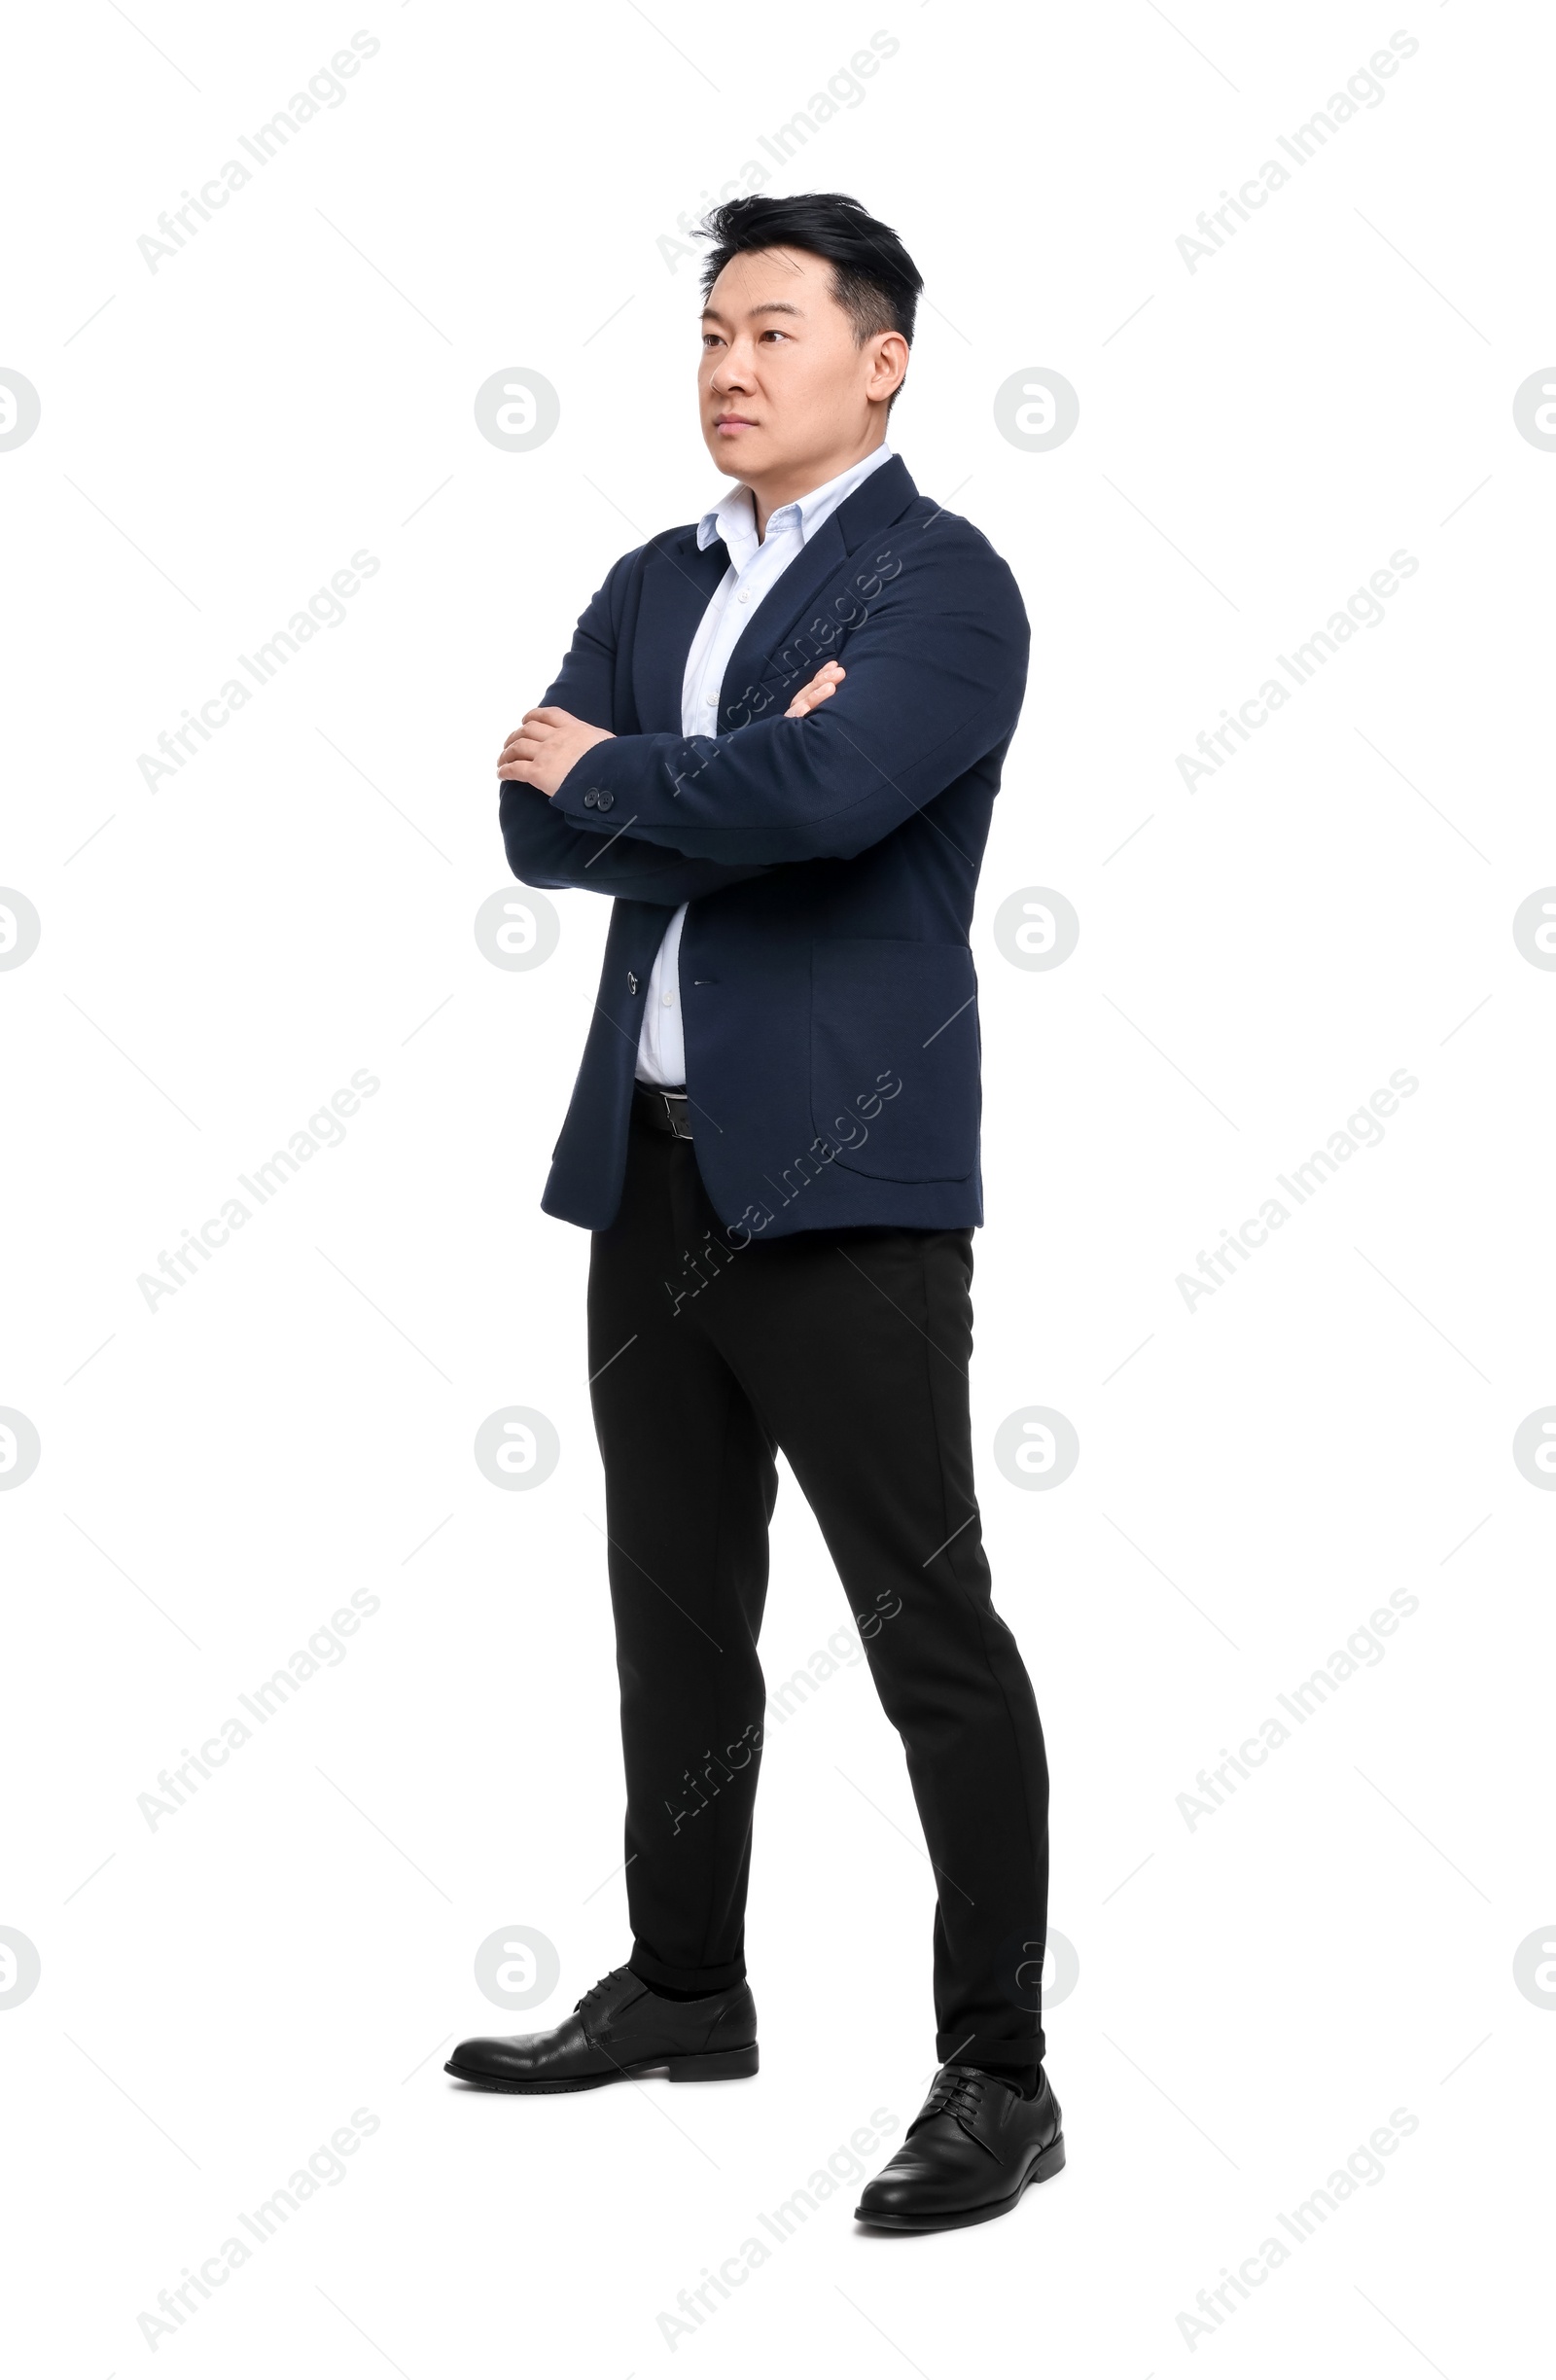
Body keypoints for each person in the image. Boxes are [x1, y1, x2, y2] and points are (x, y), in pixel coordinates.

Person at [446, 192, 1062, 2231]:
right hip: (652, 1171)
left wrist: (636, 768)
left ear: (877, 363)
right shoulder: (655, 574)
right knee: (673, 1619)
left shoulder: (942, 587)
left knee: (924, 1636)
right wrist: (680, 768)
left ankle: (997, 2073)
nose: (727, 365)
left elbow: (821, 803)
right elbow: (535, 823)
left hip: (847, 1186)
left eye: (773, 332)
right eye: (709, 331)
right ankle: (686, 1992)